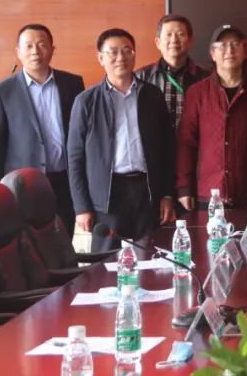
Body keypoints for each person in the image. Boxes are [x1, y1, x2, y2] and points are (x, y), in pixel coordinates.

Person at [67, 28, 175, 250]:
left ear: (134, 55)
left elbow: (167, 149)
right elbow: (75, 157)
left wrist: (166, 194)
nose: (121, 57)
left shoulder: (152, 95)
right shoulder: (86, 101)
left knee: (152, 255)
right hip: (107, 196)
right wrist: (81, 207)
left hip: (147, 191)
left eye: (127, 51)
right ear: (101, 58)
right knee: (106, 260)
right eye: (113, 52)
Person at [0, 23, 85, 235]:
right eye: (29, 46)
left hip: (64, 179)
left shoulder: (72, 84)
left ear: (52, 49)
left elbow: (81, 135)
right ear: (18, 52)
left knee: (64, 238)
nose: (35, 51)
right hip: (23, 185)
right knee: (27, 242)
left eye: (42, 45)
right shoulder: (2, 91)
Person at [176, 25, 247, 209]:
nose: (229, 51)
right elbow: (186, 143)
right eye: (222, 46)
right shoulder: (197, 93)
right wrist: (184, 187)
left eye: (235, 44)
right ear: (212, 53)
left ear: (244, 51)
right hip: (209, 194)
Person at [134, 14, 209, 131]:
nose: (174, 40)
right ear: (158, 42)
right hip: (157, 142)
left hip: (194, 142)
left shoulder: (206, 78)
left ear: (190, 41)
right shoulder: (141, 77)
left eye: (180, 34)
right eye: (168, 35)